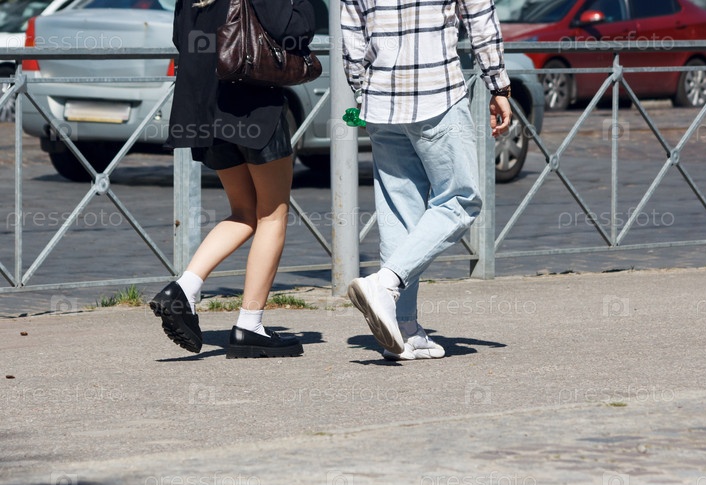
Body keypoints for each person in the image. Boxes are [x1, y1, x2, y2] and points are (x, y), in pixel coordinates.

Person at [340, 0, 512, 360]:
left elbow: (352, 34)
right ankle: (386, 283)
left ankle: (403, 330)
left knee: (401, 215)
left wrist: (362, 89)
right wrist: (498, 86)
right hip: (436, 93)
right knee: (461, 200)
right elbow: (479, 17)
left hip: (380, 100)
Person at [149, 0, 316, 358]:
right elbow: (292, 29)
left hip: (203, 107)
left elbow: (182, 38)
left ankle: (184, 289)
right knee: (272, 214)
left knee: (243, 212)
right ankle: (249, 325)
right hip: (250, 102)